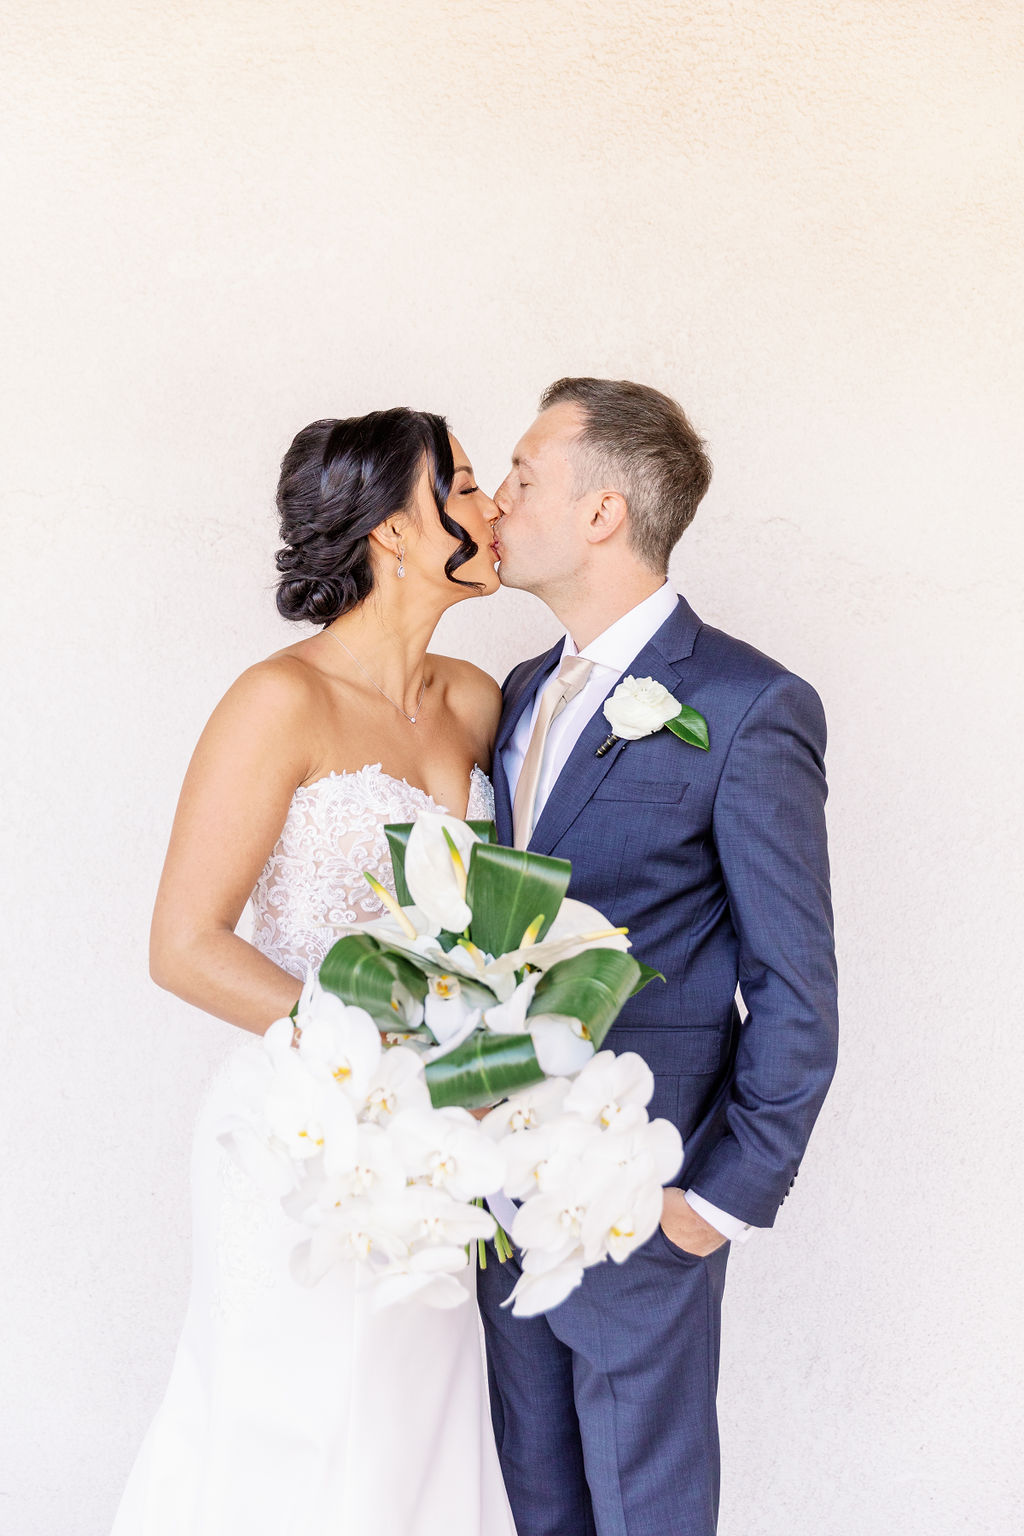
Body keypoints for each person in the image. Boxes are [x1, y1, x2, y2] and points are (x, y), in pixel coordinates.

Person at [109, 408, 516, 1536]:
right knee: (288, 1425)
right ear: (394, 529)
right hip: (302, 1135)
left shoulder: (475, 702)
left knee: (414, 1431)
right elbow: (184, 945)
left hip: (442, 1144)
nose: (493, 511)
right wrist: (378, 1051)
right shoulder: (275, 702)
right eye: (469, 484)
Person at [478, 377, 839, 1536]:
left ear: (598, 514)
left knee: (648, 1513)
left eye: (524, 475)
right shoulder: (519, 694)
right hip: (496, 1191)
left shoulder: (745, 703)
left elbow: (796, 986)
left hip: (645, 1195)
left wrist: (716, 1203)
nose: (495, 499)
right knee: (545, 1508)